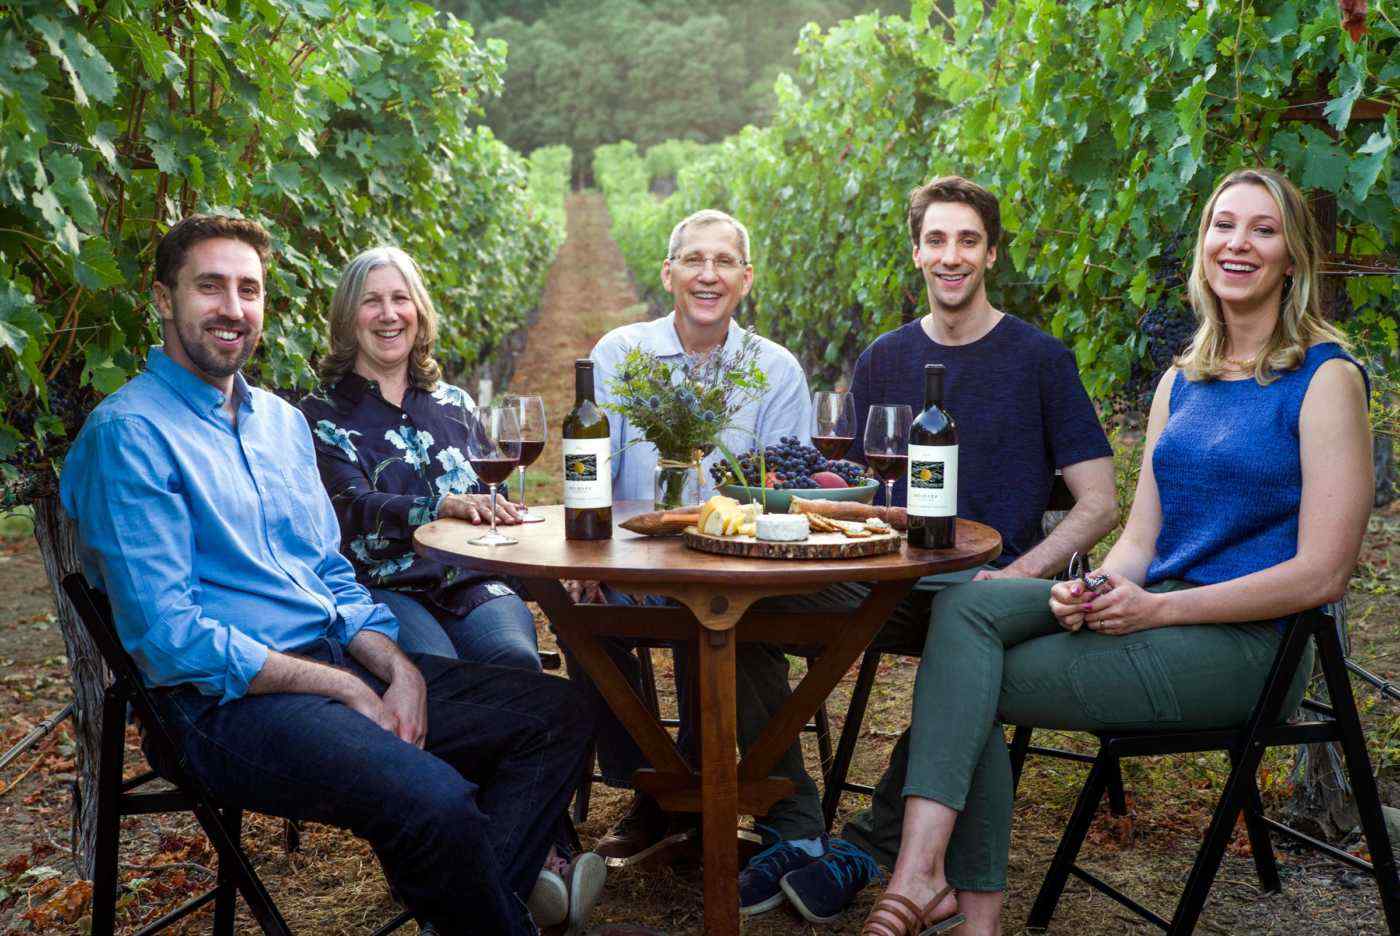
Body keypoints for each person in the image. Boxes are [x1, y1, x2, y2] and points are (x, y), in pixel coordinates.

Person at [849, 167, 1371, 936]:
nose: (1238, 243)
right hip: (1155, 612)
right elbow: (1138, 541)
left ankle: (954, 900)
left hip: (1248, 644)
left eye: (1263, 230)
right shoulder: (1180, 382)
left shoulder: (1325, 378)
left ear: (1292, 257)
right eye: (1223, 225)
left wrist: (1159, 606)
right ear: (1202, 247)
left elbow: (1324, 571)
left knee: (975, 678)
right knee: (968, 604)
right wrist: (1090, 587)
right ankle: (933, 885)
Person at [60, 215, 599, 936]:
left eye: (248, 289)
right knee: (433, 800)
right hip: (226, 705)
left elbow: (331, 575)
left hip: (335, 660)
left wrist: (396, 666)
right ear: (164, 299)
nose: (232, 307)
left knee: (558, 715)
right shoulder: (129, 435)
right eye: (209, 287)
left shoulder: (280, 425)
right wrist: (347, 687)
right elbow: (170, 639)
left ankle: (474, 915)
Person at [774, 176, 1118, 923]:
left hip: (993, 591)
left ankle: (866, 848)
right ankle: (788, 822)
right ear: (916, 252)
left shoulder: (1041, 360)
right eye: (937, 240)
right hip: (893, 584)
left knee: (969, 639)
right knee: (749, 611)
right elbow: (860, 488)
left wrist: (1016, 575)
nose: (951, 256)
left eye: (968, 240)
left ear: (991, 253)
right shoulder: (882, 360)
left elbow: (1100, 501)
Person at [564, 209, 824, 906]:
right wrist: (587, 561)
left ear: (746, 278)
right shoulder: (623, 353)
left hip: (740, 571)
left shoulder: (775, 370)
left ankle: (681, 796)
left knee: (717, 616)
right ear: (668, 273)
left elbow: (783, 493)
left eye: (723, 262)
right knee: (574, 614)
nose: (708, 275)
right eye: (693, 260)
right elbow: (595, 470)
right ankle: (655, 783)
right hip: (634, 564)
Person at [297, 246, 538, 670]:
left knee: (514, 661)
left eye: (400, 299)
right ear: (348, 318)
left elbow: (491, 503)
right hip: (384, 588)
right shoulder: (319, 415)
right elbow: (353, 506)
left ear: (419, 312)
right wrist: (442, 506)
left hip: (472, 580)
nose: (389, 313)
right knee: (437, 672)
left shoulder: (456, 404)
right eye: (371, 301)